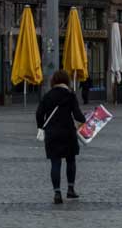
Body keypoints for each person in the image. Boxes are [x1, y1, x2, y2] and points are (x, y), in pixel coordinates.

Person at [35, 69, 87, 205]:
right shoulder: (70, 95)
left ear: (54, 81)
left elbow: (39, 113)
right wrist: (85, 118)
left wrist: (41, 127)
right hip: (68, 132)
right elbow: (77, 115)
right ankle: (70, 189)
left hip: (52, 133)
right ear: (67, 81)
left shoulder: (48, 95)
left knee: (55, 162)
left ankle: (57, 192)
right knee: (71, 160)